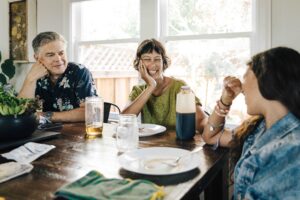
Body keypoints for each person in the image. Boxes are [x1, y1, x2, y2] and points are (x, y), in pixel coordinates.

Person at [202, 47, 300, 199]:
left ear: (268, 80)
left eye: (246, 75)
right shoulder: (259, 128)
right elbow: (211, 136)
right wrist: (224, 101)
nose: (241, 88)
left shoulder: (293, 152)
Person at [122, 39, 207, 131]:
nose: (153, 64)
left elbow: (201, 120)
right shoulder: (138, 90)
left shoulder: (179, 86)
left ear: (163, 62)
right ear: (139, 63)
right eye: (147, 59)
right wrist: (151, 86)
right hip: (151, 144)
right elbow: (124, 120)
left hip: (177, 143)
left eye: (157, 59)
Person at [18, 31, 97, 123]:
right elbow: (20, 111)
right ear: (37, 58)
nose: (58, 59)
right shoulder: (36, 74)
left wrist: (46, 116)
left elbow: (89, 112)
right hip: (44, 133)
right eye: (50, 55)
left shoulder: (79, 72)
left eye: (61, 53)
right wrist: (30, 79)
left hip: (76, 133)